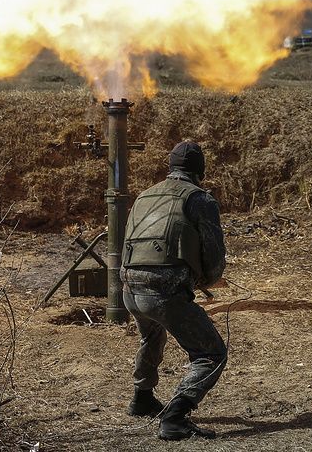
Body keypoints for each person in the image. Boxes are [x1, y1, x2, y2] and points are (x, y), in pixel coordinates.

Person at [121, 140, 227, 441]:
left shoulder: (144, 196)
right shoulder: (199, 199)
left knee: (151, 334)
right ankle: (175, 416)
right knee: (211, 353)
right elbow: (215, 256)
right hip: (164, 291)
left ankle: (142, 397)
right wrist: (204, 280)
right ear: (200, 171)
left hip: (129, 286)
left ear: (171, 167)